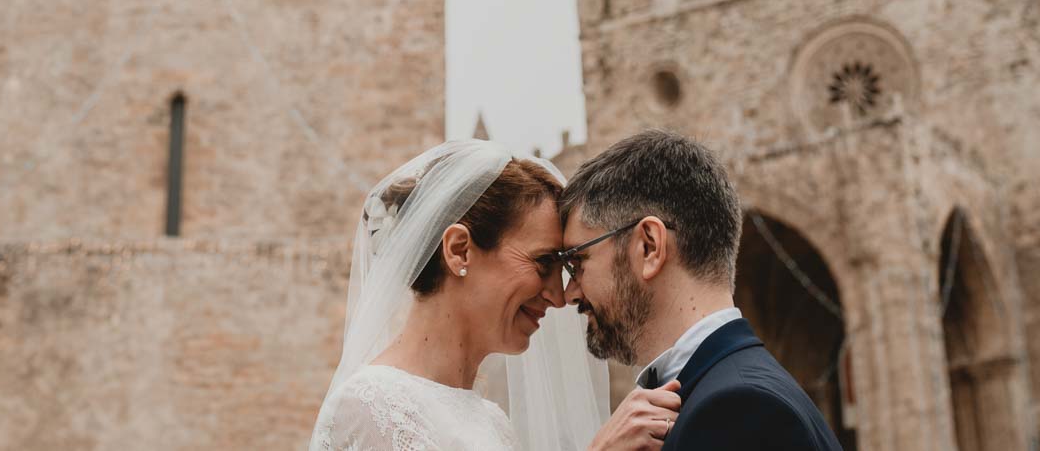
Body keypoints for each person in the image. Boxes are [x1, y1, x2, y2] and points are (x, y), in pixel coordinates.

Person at [310, 139, 681, 451]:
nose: (558, 296)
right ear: (459, 251)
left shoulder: (493, 422)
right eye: (542, 263)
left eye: (565, 268)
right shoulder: (368, 407)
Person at [558, 130, 843, 450]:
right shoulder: (726, 392)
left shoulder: (740, 410)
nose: (570, 293)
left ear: (649, 247)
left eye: (577, 261)